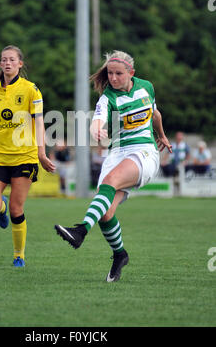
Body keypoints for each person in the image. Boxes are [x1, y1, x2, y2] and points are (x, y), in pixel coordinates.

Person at [54, 50, 172, 282]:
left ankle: (80, 231)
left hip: (144, 152)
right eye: (110, 73)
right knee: (106, 213)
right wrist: (95, 129)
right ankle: (120, 255)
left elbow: (155, 114)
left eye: (118, 73)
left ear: (131, 73)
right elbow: (97, 120)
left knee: (109, 183)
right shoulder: (107, 98)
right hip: (117, 154)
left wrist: (162, 135)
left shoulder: (146, 87)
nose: (113, 78)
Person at [0, 45, 55, 268]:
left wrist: (41, 153)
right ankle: (1, 207)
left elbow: (38, 122)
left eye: (11, 60)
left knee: (18, 209)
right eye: (3, 60)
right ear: (0, 64)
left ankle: (19, 256)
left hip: (24, 157)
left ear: (20, 64)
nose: (7, 63)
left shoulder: (30, 90)